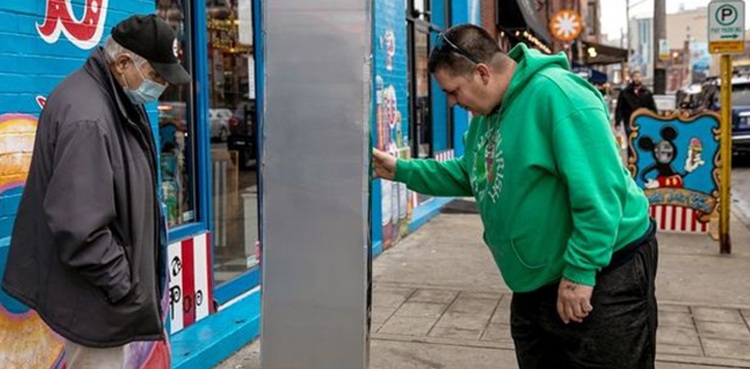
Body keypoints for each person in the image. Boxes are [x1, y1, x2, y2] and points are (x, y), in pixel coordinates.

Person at [372, 24, 658, 369]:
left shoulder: (559, 96)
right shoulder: (487, 114)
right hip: (536, 280)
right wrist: (400, 170)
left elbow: (599, 193)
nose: (450, 103)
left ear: (482, 73)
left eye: (453, 91)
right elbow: (472, 172)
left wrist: (580, 273)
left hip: (604, 271)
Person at [1, 14, 190, 368]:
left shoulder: (114, 100)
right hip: (96, 301)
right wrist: (125, 288)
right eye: (156, 75)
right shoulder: (90, 117)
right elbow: (80, 229)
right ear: (122, 63)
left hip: (100, 297)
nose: (161, 85)